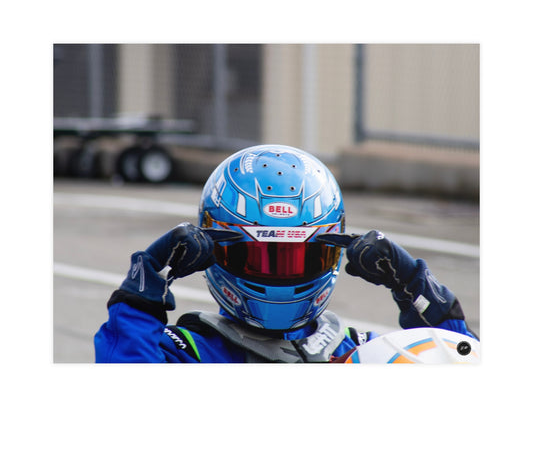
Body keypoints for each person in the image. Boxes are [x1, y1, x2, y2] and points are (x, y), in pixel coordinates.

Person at [94, 144, 478, 363]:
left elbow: (463, 363)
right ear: (213, 253)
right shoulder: (189, 351)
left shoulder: (358, 350)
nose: (280, 278)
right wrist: (141, 295)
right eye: (261, 258)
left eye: (300, 258)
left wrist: (416, 288)